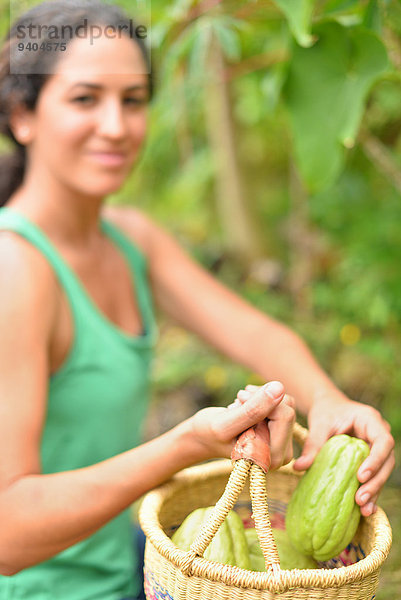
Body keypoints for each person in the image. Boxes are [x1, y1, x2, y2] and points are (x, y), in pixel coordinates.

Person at [0, 1, 394, 599]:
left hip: (130, 563)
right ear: (22, 116)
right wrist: (184, 444)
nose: (116, 125)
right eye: (85, 99)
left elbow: (259, 336)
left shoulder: (130, 239)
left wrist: (329, 402)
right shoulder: (15, 270)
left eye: (132, 101)